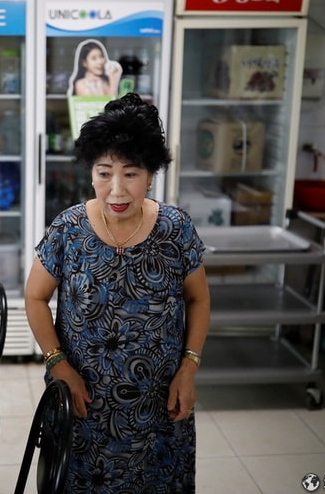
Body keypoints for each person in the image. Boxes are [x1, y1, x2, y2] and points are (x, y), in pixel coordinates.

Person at [24, 93, 211, 492]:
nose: (116, 190)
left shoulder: (176, 229)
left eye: (131, 174)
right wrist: (58, 364)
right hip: (83, 404)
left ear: (151, 175)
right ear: (91, 172)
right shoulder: (68, 229)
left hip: (159, 408)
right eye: (104, 172)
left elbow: (198, 299)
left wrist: (189, 368)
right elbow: (35, 297)